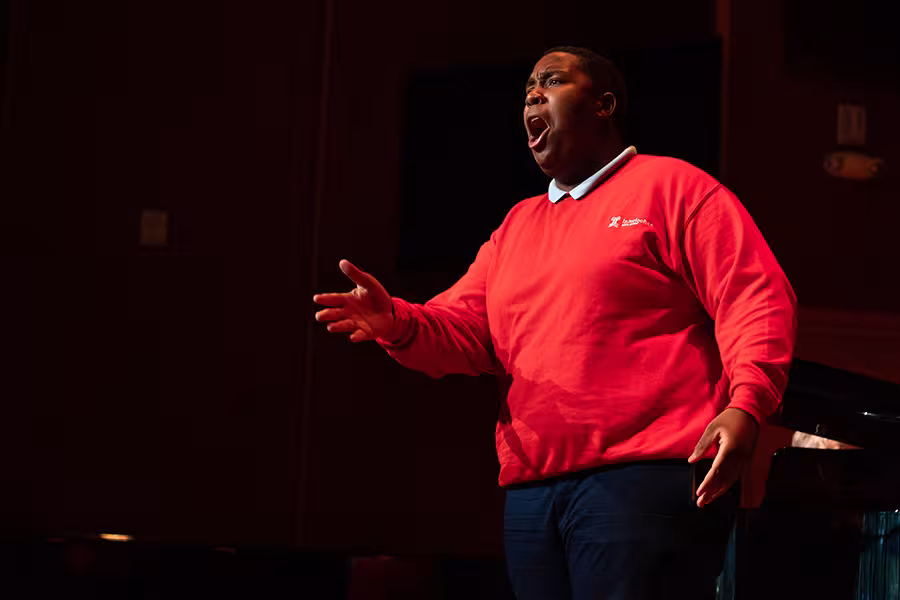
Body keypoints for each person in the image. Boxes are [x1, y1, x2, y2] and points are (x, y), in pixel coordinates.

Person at [313, 46, 796, 600]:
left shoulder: (672, 188)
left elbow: (753, 294)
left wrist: (747, 404)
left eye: (553, 82)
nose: (533, 96)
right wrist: (395, 322)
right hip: (534, 486)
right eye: (527, 91)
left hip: (645, 473)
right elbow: (468, 330)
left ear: (603, 105)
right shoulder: (518, 225)